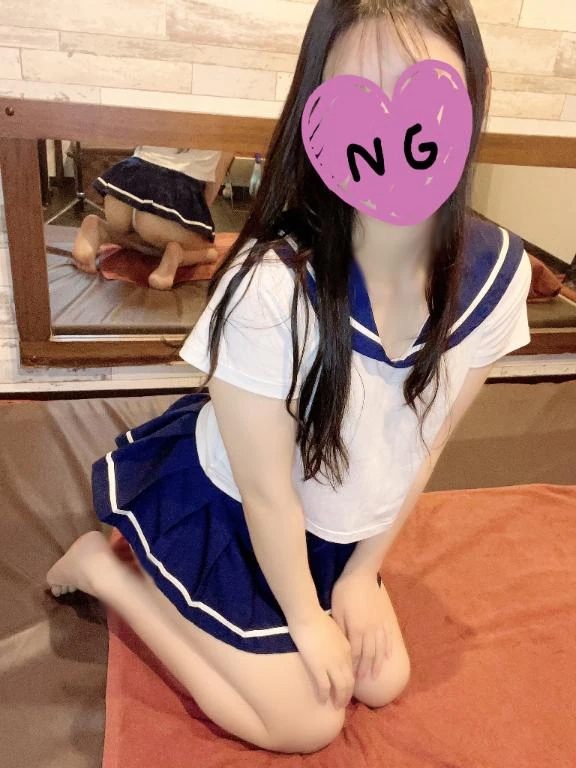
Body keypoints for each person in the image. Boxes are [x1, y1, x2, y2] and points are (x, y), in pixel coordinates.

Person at [47, 0, 533, 756]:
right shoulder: (270, 286)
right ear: (319, 119)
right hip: (241, 507)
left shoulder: (496, 278)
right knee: (305, 722)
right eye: (359, 101)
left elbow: (427, 441)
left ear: (468, 97)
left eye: (419, 96)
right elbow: (266, 489)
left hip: (337, 524)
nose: (392, 139)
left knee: (384, 679)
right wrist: (307, 617)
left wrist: (361, 575)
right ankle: (108, 577)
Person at [72, 146, 234, 290]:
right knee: (209, 250)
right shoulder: (228, 125)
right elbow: (214, 181)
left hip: (124, 187)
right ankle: (178, 255)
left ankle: (102, 229)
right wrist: (197, 221)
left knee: (147, 233)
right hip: (167, 200)